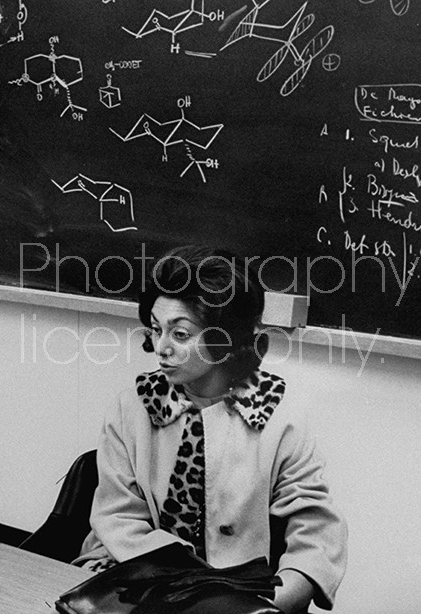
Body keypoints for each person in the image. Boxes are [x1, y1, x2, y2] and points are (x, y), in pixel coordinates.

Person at [74, 245, 347, 613]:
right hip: (134, 584)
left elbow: (316, 535)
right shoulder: (132, 407)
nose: (161, 349)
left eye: (181, 334)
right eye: (156, 330)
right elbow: (118, 519)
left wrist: (271, 605)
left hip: (245, 601)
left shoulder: (284, 419)